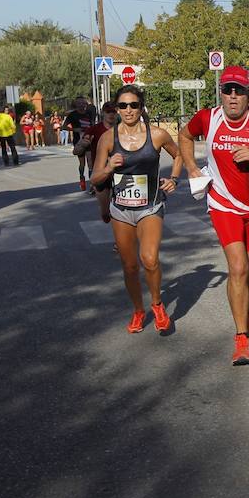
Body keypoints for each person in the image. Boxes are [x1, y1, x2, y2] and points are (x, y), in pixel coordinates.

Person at [178, 66, 249, 366]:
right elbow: (184, 136)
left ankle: (245, 311)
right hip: (222, 202)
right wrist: (191, 167)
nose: (232, 96)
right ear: (221, 92)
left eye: (238, 91)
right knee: (238, 267)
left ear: (248, 94)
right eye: (227, 89)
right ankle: (241, 338)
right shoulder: (208, 117)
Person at [91, 86, 183, 335]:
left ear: (141, 107)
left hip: (150, 206)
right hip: (121, 209)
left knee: (150, 259)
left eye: (133, 105)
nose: (128, 110)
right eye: (123, 106)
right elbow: (95, 177)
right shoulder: (108, 139)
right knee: (130, 266)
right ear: (117, 109)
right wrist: (109, 166)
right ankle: (138, 310)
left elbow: (179, 155)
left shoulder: (158, 135)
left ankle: (157, 305)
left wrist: (174, 179)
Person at [77, 102, 120, 217]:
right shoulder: (93, 130)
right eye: (108, 112)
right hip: (102, 172)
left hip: (120, 172)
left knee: (120, 210)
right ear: (103, 113)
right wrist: (82, 145)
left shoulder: (123, 129)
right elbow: (77, 151)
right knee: (105, 214)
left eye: (114, 112)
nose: (111, 114)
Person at [64, 97, 96, 190]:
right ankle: (82, 178)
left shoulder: (89, 113)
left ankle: (92, 185)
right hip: (78, 142)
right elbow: (64, 127)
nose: (81, 105)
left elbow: (92, 124)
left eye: (83, 103)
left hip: (89, 140)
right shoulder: (72, 115)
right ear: (76, 104)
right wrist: (74, 129)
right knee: (82, 163)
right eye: (79, 103)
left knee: (91, 162)